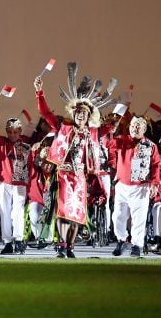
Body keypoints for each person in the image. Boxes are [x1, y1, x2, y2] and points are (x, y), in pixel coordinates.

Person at [35, 62, 117, 258]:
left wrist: (121, 110)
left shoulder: (93, 133)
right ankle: (62, 245)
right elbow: (45, 113)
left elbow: (111, 127)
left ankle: (70, 247)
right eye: (78, 112)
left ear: (88, 116)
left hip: (80, 177)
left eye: (84, 113)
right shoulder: (64, 127)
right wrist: (39, 92)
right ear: (74, 113)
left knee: (76, 215)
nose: (81, 115)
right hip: (63, 174)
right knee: (63, 212)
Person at [110, 116, 161, 257]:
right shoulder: (121, 140)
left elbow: (156, 166)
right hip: (122, 185)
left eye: (138, 126)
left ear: (144, 129)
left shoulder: (151, 146)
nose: (134, 128)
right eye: (132, 125)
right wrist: (111, 129)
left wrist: (155, 183)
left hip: (141, 186)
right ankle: (122, 239)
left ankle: (137, 245)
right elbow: (109, 144)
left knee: (139, 218)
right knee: (117, 216)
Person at [0, 105, 31, 255]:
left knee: (18, 211)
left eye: (15, 132)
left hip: (20, 182)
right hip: (4, 181)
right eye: (10, 132)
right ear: (7, 132)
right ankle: (7, 242)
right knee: (4, 211)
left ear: (20, 131)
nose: (13, 134)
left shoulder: (25, 143)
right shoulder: (1, 143)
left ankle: (18, 240)